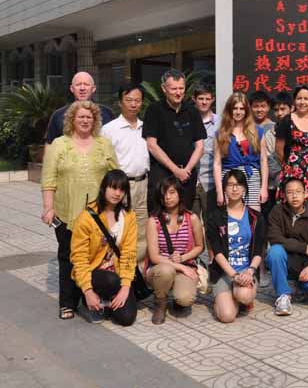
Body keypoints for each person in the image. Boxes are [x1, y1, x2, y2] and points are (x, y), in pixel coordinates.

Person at [41, 100, 119, 320]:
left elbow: (116, 176)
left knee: (96, 255)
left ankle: (91, 298)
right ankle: (68, 302)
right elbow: (48, 179)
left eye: (89, 117)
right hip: (67, 213)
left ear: (95, 121)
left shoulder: (104, 144)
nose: (85, 120)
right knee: (68, 257)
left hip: (99, 215)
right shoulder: (59, 144)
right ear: (72, 120)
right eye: (81, 117)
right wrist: (48, 208)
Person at [69, 169, 137, 326]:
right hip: (94, 273)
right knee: (110, 280)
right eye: (113, 187)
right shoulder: (86, 217)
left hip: (117, 273)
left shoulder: (129, 216)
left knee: (126, 318)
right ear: (104, 187)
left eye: (122, 189)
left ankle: (105, 302)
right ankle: (89, 299)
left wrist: (125, 287)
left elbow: (129, 253)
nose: (117, 193)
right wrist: (87, 291)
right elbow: (79, 257)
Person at [205, 170, 266, 323]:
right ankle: (224, 298)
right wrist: (234, 275)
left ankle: (240, 298)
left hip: (247, 271)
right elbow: (217, 252)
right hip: (224, 272)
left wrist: (250, 271)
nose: (234, 188)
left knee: (244, 296)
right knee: (227, 316)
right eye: (230, 185)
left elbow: (259, 250)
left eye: (238, 184)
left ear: (244, 188)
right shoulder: (214, 217)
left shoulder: (256, 217)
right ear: (224, 188)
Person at [143, 69, 206, 213]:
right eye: (173, 89)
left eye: (181, 88)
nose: (178, 93)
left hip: (187, 176)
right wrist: (175, 170)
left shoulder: (192, 111)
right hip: (162, 175)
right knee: (159, 218)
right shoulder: (154, 110)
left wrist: (186, 170)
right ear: (164, 88)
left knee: (184, 217)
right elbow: (152, 145)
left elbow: (200, 146)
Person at [267, 177, 308, 316]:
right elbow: (274, 238)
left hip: (304, 264)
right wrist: (304, 247)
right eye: (290, 192)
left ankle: (299, 286)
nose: (294, 196)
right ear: (284, 195)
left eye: (298, 191)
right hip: (285, 260)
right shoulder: (277, 212)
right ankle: (283, 295)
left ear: (305, 194)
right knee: (274, 251)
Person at [145, 176, 204, 324]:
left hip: (184, 264)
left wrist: (183, 259)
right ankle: (160, 303)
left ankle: (177, 300)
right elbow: (154, 256)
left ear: (179, 193)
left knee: (185, 298)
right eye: (164, 193)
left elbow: (199, 246)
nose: (167, 197)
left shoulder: (192, 218)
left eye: (172, 192)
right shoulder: (153, 221)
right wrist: (180, 266)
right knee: (166, 270)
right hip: (159, 268)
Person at [101, 84, 149, 265]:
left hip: (143, 184)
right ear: (120, 102)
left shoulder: (146, 127)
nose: (133, 104)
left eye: (137, 100)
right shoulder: (109, 129)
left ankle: (138, 272)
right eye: (129, 100)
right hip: (121, 186)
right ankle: (119, 268)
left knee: (142, 230)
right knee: (120, 228)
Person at [275, 85, 308, 217]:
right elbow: (279, 150)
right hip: (293, 171)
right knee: (293, 207)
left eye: (306, 99)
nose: (302, 102)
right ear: (294, 100)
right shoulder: (287, 120)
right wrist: (289, 167)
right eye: (299, 98)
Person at [213, 92, 267, 211]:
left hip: (251, 177)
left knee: (253, 216)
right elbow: (217, 163)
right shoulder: (221, 134)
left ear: (246, 110)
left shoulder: (258, 131)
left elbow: (263, 161)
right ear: (229, 110)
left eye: (242, 109)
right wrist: (219, 191)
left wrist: (264, 187)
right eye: (235, 108)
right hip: (230, 179)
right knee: (231, 216)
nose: (238, 112)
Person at [45, 71, 114, 145]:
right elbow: (49, 144)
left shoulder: (107, 113)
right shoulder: (58, 115)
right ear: (72, 88)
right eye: (78, 85)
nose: (82, 88)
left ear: (93, 88)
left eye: (86, 84)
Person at [261, 91, 292, 213]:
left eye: (283, 109)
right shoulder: (269, 134)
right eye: (276, 110)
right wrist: (284, 178)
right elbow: (269, 160)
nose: (279, 113)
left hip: (299, 183)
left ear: (291, 108)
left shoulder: (299, 131)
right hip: (275, 185)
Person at [192, 83, 218, 221]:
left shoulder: (220, 122)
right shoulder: (187, 120)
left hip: (211, 182)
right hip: (190, 180)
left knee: (211, 224)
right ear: (194, 99)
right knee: (192, 224)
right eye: (201, 98)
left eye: (207, 99)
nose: (204, 102)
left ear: (213, 99)